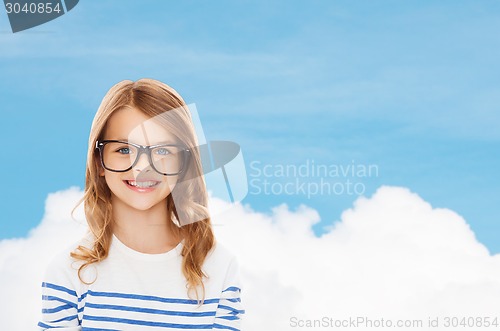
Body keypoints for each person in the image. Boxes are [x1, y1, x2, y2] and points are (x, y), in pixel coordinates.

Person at [37, 79, 244, 330]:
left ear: (185, 162)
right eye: (124, 150)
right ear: (99, 161)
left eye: (163, 151)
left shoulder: (219, 267)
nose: (142, 167)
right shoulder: (69, 272)